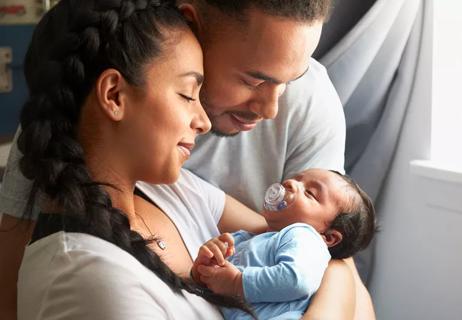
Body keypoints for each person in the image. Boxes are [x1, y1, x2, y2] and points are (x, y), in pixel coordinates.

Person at [0, 0, 375, 319]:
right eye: (252, 80)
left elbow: (331, 247)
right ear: (190, 24)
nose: (273, 108)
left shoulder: (180, 191)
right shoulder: (64, 130)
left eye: (290, 81)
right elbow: (12, 293)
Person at [13, 1, 259, 319]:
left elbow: (308, 235)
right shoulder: (89, 277)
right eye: (187, 94)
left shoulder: (170, 195)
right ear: (115, 95)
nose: (204, 121)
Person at [191, 168, 376, 319]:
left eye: (309, 193)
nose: (291, 183)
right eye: (297, 179)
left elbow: (297, 280)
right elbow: (216, 282)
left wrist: (237, 282)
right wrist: (207, 268)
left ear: (327, 237)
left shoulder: (305, 237)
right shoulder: (251, 238)